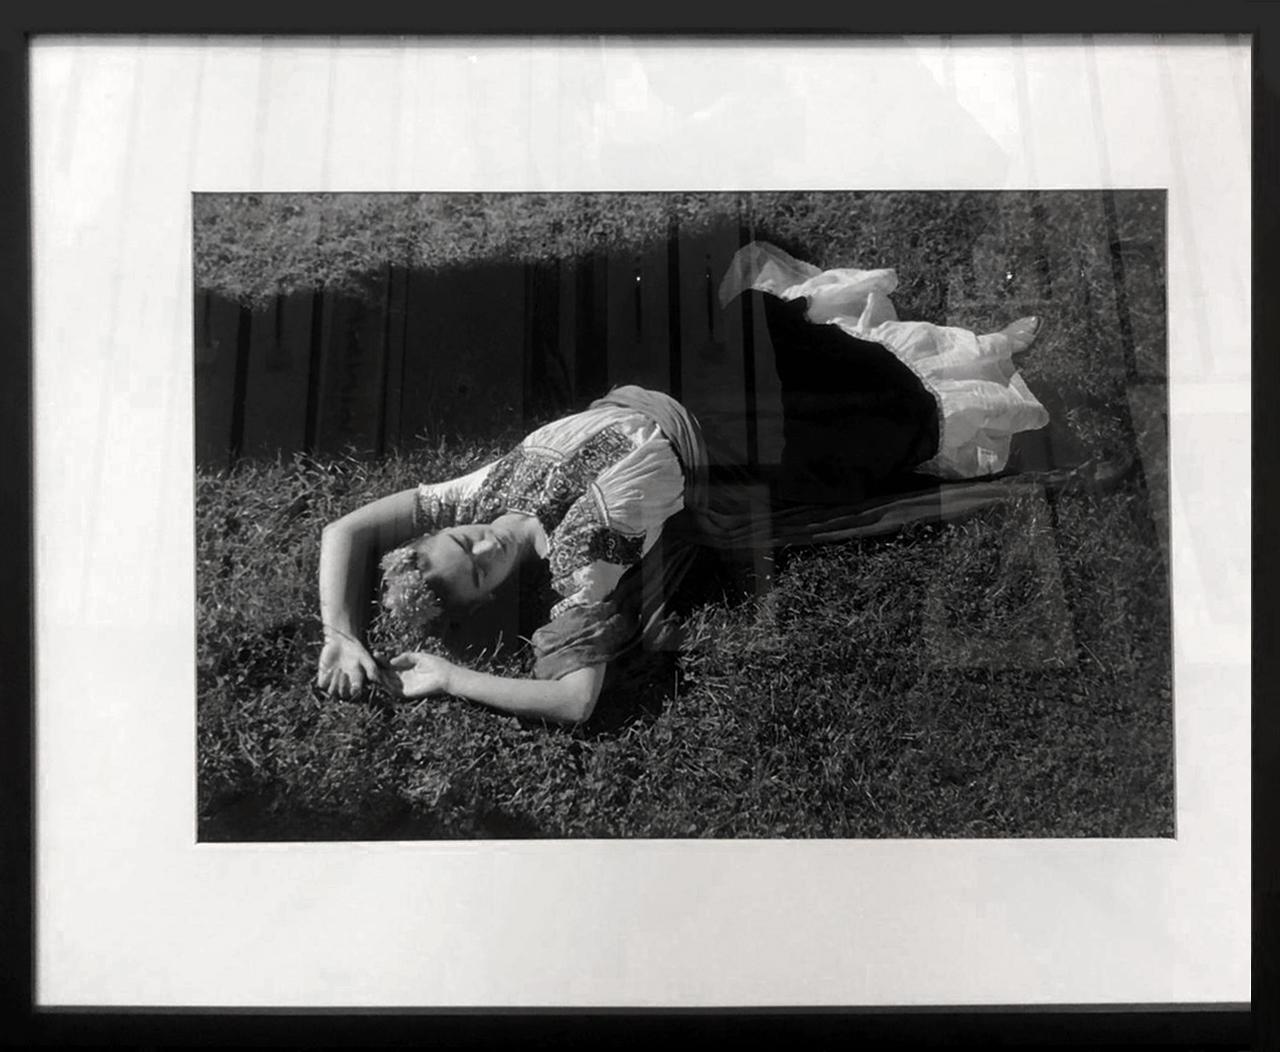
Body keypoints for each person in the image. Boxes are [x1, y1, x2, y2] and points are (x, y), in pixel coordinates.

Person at [316, 241, 1050, 724]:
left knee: (765, 329)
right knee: (878, 413)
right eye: (479, 569)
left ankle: (926, 361)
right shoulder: (578, 568)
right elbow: (575, 700)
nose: (480, 542)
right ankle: (957, 371)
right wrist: (448, 677)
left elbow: (342, 529)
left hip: (679, 382)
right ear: (491, 595)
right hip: (728, 443)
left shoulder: (471, 494)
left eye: (456, 540)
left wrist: (338, 631)